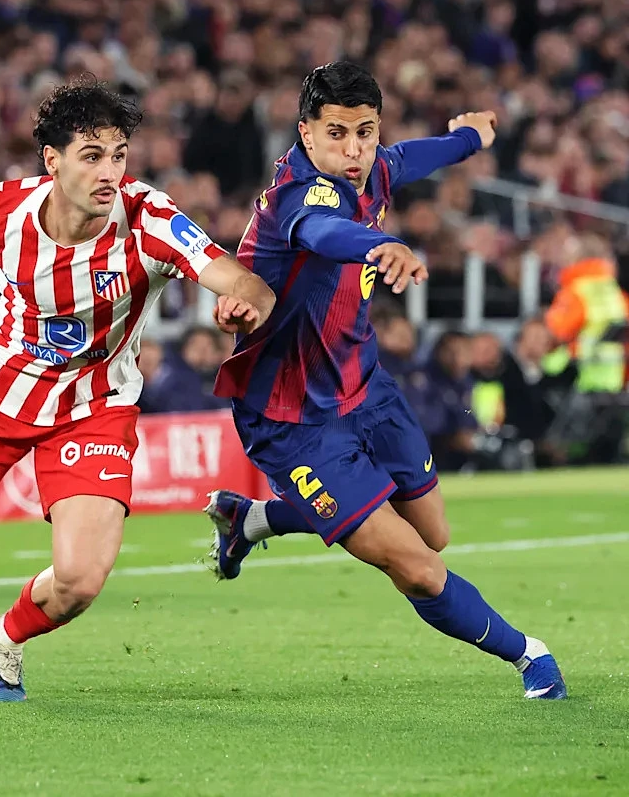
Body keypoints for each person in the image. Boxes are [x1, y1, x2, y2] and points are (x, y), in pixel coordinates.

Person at [0, 76, 275, 702]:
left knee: (78, 580)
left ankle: (4, 640)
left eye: (119, 155)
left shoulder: (150, 220)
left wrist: (245, 304)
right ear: (52, 161)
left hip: (94, 405)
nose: (110, 172)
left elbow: (244, 281)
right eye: (92, 155)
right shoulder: (3, 209)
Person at [204, 62, 566, 700]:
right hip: (293, 420)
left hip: (366, 387)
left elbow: (408, 158)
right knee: (418, 567)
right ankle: (529, 656)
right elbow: (325, 231)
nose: (354, 150)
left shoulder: (373, 169)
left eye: (365, 133)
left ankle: (253, 520)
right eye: (336, 133)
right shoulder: (296, 195)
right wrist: (379, 245)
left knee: (434, 532)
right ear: (306, 132)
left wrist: (469, 139)